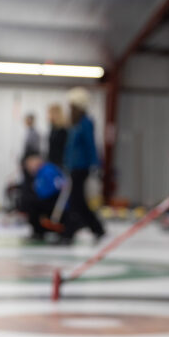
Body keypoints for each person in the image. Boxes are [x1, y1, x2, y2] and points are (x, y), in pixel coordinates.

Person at [63, 87, 105, 243]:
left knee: (76, 200)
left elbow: (91, 145)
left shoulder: (86, 122)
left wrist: (95, 165)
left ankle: (71, 231)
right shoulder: (75, 123)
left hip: (82, 167)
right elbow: (70, 147)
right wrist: (66, 164)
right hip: (73, 167)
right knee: (77, 200)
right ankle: (96, 228)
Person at [46, 103, 68, 168]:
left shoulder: (63, 130)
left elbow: (64, 148)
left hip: (60, 162)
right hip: (52, 161)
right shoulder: (53, 128)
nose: (48, 116)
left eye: (50, 113)